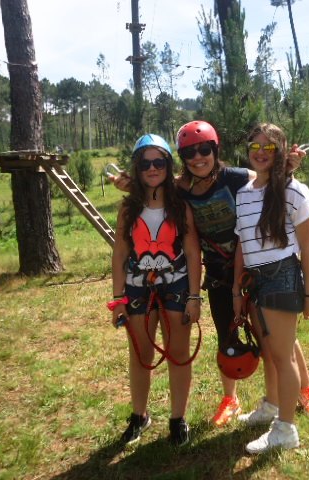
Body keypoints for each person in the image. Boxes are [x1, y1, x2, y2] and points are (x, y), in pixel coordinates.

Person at [112, 121, 309, 427]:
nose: (198, 157)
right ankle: (230, 399)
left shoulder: (237, 177)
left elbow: (269, 177)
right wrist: (132, 184)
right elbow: (155, 186)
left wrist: (286, 166)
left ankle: (306, 388)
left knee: (275, 337)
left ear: (214, 150)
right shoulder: (180, 189)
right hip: (218, 274)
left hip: (252, 267)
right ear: (182, 158)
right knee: (227, 334)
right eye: (190, 153)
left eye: (204, 150)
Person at [109, 134, 201, 447]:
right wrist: (118, 299)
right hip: (137, 289)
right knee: (140, 354)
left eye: (159, 162)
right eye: (145, 163)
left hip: (176, 287)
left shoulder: (180, 207)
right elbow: (120, 253)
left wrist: (194, 297)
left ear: (167, 165)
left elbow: (193, 253)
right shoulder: (128, 209)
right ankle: (139, 416)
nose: (152, 168)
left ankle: (178, 418)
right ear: (137, 168)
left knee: (178, 354)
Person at [232, 122, 309, 454]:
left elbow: (307, 248)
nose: (260, 152)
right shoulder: (243, 193)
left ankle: (285, 429)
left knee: (283, 357)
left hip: (282, 276)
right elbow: (242, 245)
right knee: (269, 352)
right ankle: (271, 406)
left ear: (281, 151)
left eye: (268, 147)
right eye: (254, 146)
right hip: (255, 281)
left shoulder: (294, 192)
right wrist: (236, 290)